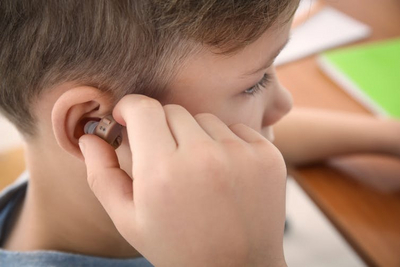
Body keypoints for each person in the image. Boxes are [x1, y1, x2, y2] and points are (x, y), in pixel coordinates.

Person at [1, 0, 399, 266]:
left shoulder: (120, 162)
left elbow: (240, 132)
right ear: (95, 128)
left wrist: (386, 135)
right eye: (255, 82)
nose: (284, 106)